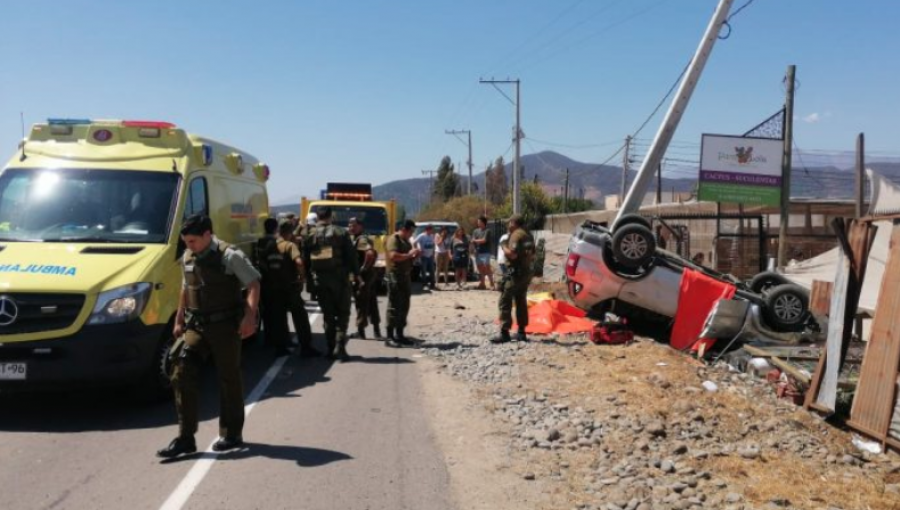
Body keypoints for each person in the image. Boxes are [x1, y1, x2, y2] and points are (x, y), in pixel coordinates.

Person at [157, 214, 260, 458]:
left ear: (207, 235)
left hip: (225, 325)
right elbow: (186, 287)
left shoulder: (229, 255)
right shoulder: (188, 255)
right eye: (186, 241)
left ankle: (231, 433)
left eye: (193, 241)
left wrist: (250, 316)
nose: (189, 246)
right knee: (180, 368)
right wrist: (179, 317)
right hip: (197, 324)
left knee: (228, 377)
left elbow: (254, 282)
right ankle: (185, 438)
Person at [303, 207, 358, 361]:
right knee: (343, 313)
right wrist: (356, 275)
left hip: (320, 280)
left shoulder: (309, 235)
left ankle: (329, 348)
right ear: (331, 216)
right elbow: (351, 256)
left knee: (328, 315)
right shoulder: (341, 232)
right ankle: (339, 348)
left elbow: (305, 261)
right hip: (340, 279)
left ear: (318, 217)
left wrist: (308, 280)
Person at [277, 221, 320, 358]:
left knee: (280, 318)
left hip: (276, 288)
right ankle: (306, 348)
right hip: (291, 287)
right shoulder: (289, 245)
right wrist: (302, 277)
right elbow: (299, 262)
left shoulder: (273, 245)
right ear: (290, 232)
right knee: (300, 317)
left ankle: (282, 347)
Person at [491, 215, 535, 344]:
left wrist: (503, 246)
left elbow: (513, 254)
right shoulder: (529, 235)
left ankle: (505, 333)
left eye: (509, 222)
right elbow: (533, 254)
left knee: (505, 300)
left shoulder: (516, 235)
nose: (508, 225)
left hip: (515, 273)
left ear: (514, 223)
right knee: (521, 301)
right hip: (525, 273)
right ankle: (521, 332)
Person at [257, 218, 291, 356]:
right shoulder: (274, 243)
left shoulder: (260, 241)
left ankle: (268, 340)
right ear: (276, 228)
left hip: (263, 282)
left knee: (268, 314)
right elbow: (275, 264)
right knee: (279, 315)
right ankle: (280, 347)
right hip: (274, 284)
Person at [385, 219, 420, 347]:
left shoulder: (406, 241)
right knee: (394, 305)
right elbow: (393, 256)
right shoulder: (394, 239)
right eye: (411, 231)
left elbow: (408, 258)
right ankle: (389, 337)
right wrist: (409, 254)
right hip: (395, 276)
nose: (412, 234)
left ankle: (399, 334)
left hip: (405, 276)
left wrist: (415, 255)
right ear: (405, 229)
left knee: (404, 305)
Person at [349, 217, 382, 339]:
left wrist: (363, 268)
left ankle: (361, 331)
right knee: (372, 303)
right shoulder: (361, 238)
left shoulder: (361, 239)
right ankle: (377, 332)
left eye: (353, 225)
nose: (350, 227)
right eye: (350, 225)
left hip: (363, 278)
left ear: (360, 227)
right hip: (370, 276)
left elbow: (370, 253)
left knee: (361, 303)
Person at [471, 216, 495, 290]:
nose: (478, 223)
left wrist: (475, 241)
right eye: (478, 222)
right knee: (480, 268)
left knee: (487, 267)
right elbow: (472, 241)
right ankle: (482, 284)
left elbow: (484, 240)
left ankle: (492, 283)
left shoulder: (488, 231)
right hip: (478, 252)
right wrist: (474, 249)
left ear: (483, 222)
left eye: (479, 222)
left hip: (486, 252)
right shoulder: (475, 231)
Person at [414, 224, 437, 290]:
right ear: (427, 230)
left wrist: (433, 252)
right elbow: (414, 242)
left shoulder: (432, 236)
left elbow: (433, 245)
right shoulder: (422, 235)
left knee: (432, 271)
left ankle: (432, 284)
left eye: (431, 230)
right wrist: (418, 250)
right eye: (430, 230)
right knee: (423, 271)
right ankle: (424, 284)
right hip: (424, 256)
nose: (431, 231)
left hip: (430, 256)